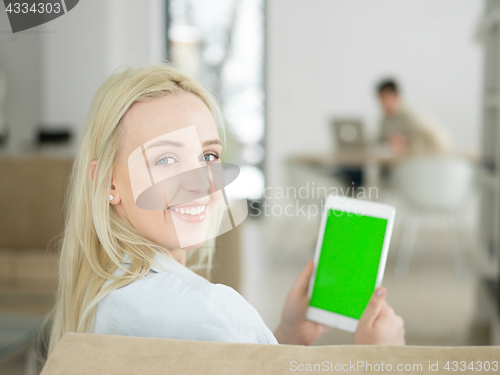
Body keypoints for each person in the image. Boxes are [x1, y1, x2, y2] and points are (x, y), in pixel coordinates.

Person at [47, 65, 405, 356]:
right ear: (108, 183)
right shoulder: (212, 310)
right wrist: (380, 359)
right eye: (166, 158)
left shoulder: (96, 295)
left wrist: (287, 335)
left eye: (208, 156)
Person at [376, 79, 451, 155]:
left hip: (420, 161)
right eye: (381, 99)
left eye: (385, 98)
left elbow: (442, 140)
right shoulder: (385, 120)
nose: (382, 103)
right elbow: (378, 142)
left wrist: (408, 144)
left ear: (396, 96)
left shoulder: (412, 117)